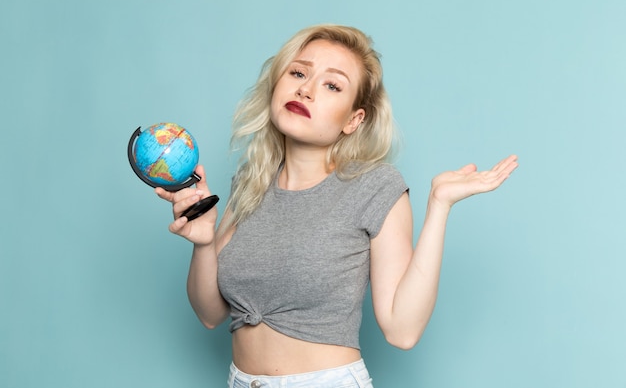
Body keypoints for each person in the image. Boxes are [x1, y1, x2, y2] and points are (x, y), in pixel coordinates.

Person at [156, 24, 518, 388]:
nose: (306, 89)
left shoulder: (374, 186)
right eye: (298, 72)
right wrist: (203, 244)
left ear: (353, 120)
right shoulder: (251, 182)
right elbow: (210, 314)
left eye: (332, 85)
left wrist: (439, 207)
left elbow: (402, 331)